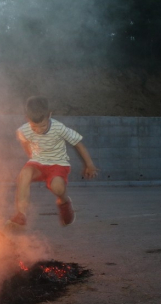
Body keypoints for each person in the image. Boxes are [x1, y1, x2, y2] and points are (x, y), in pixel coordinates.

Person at [7, 96, 98, 228]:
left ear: (49, 115)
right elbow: (25, 142)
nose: (39, 130)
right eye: (34, 127)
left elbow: (78, 144)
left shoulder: (59, 128)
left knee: (57, 187)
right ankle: (21, 214)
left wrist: (89, 165)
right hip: (38, 163)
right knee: (24, 174)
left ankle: (64, 202)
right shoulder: (24, 130)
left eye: (43, 125)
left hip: (58, 164)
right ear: (27, 118)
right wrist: (31, 156)